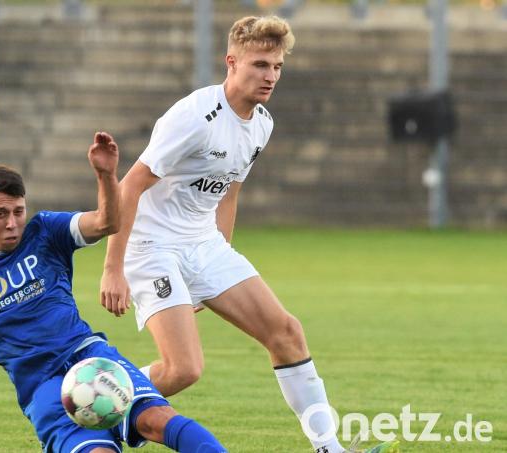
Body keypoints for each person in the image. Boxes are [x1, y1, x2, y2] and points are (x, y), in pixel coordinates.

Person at [99, 16, 399, 453]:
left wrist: (215, 271)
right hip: (151, 248)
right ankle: (100, 401)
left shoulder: (262, 123)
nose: (270, 76)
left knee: (287, 332)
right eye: (260, 64)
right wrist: (113, 269)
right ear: (231, 62)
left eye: (277, 66)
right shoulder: (194, 116)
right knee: (183, 369)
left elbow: (227, 194)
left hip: (204, 246)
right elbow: (130, 186)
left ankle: (328, 449)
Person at [0, 132, 227, 453]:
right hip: (42, 385)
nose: (12, 223)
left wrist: (106, 176)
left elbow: (108, 222)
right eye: (0, 214)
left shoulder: (45, 231)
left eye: (18, 211)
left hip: (90, 356)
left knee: (156, 418)